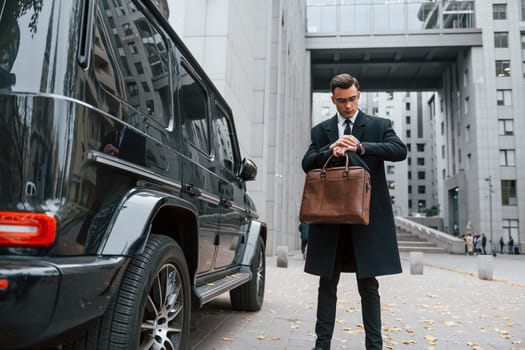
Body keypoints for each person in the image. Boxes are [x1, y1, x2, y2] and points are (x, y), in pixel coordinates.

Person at [302, 73, 407, 350]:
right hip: (330, 219)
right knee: (327, 284)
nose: (347, 106)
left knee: (368, 286)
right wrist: (331, 148)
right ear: (332, 100)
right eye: (341, 101)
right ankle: (321, 345)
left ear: (358, 95)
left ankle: (374, 346)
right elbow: (307, 162)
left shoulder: (379, 125)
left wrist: (361, 146)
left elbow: (399, 150)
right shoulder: (321, 130)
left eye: (351, 99)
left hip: (366, 219)